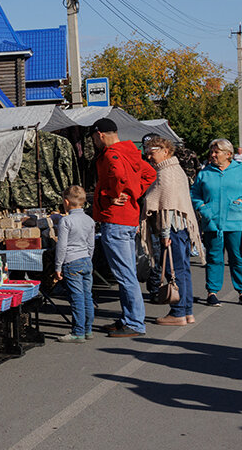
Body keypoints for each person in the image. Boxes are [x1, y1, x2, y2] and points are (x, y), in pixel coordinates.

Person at [89, 117, 156, 338]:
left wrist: (113, 194)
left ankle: (135, 322)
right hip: (127, 219)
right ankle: (129, 318)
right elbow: (150, 174)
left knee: (124, 274)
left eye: (93, 138)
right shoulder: (131, 151)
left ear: (99, 135)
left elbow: (117, 175)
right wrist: (133, 193)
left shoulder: (111, 155)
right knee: (126, 273)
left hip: (115, 219)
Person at [141, 136, 205, 326]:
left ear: (165, 151)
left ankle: (178, 313)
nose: (149, 157)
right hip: (182, 228)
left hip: (173, 230)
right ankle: (187, 312)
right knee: (183, 270)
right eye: (147, 154)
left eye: (152, 153)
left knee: (174, 271)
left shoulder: (167, 173)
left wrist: (165, 234)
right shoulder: (175, 169)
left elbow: (168, 206)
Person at [190, 138, 242, 307]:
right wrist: (202, 207)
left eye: (216, 152)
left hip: (236, 222)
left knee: (238, 257)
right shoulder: (205, 173)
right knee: (214, 258)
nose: (213, 155)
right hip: (212, 222)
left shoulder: (241, 171)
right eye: (212, 152)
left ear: (228, 154)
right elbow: (194, 194)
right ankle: (212, 292)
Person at [53, 185, 95, 342]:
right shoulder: (89, 220)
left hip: (71, 261)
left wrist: (58, 266)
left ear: (66, 202)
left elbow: (62, 246)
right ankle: (88, 329)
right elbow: (91, 245)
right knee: (87, 296)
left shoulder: (66, 221)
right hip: (85, 260)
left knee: (76, 297)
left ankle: (78, 331)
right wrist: (88, 258)